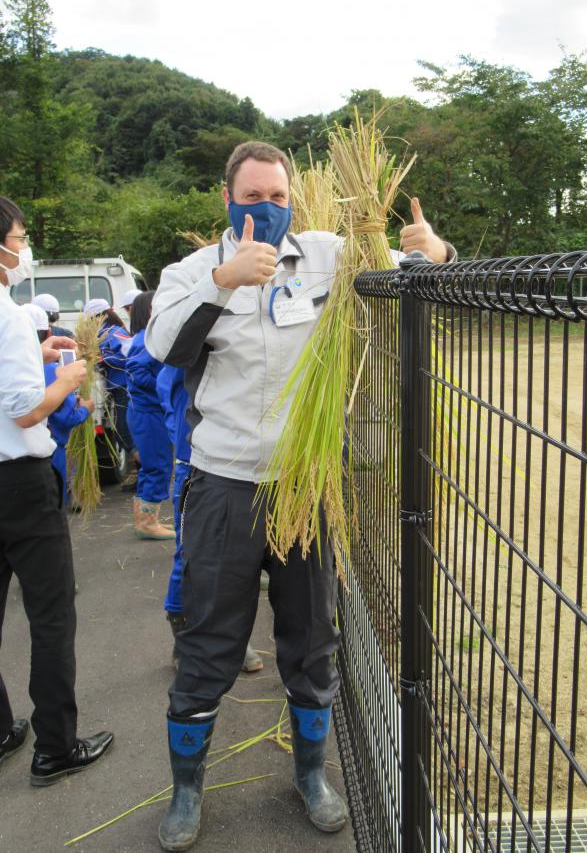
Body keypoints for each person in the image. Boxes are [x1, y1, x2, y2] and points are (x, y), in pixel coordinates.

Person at [146, 141, 456, 851]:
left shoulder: (325, 255)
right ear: (225, 198)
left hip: (307, 486)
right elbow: (164, 346)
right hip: (224, 484)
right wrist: (222, 280)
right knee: (208, 645)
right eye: (252, 196)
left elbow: (409, 277)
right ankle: (186, 791)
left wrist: (434, 251)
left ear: (293, 198)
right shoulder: (189, 272)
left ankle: (312, 776)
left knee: (312, 640)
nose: (267, 208)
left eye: (277, 196)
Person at [0, 195, 113, 784]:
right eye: (18, 239)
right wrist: (65, 376)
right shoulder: (7, 313)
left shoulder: (15, 324)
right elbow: (24, 412)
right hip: (18, 485)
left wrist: (34, 355)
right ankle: (55, 747)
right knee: (50, 618)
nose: (22, 250)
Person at [156, 364, 264, 672]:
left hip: (243, 462)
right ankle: (184, 637)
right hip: (198, 461)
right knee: (190, 554)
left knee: (239, 557)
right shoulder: (189, 332)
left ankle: (234, 637)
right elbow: (170, 388)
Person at [21, 303, 94, 502]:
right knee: (53, 508)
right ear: (49, 332)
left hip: (15, 464)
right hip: (49, 454)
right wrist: (86, 409)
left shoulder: (17, 367)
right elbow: (66, 418)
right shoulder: (56, 371)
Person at [125, 291, 175, 540]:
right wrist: (164, 387)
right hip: (148, 412)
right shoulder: (145, 338)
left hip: (150, 411)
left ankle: (148, 520)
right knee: (157, 466)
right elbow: (135, 370)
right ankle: (146, 523)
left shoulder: (145, 337)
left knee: (155, 465)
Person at [84, 298, 136, 470]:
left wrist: (103, 359)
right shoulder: (103, 333)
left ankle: (147, 468)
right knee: (122, 431)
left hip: (124, 387)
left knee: (124, 430)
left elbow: (128, 355)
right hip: (115, 388)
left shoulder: (114, 332)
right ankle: (143, 471)